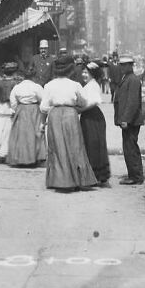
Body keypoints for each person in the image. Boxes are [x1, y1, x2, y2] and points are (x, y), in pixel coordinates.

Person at [39, 55, 97, 192]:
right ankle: (80, 179)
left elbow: (43, 107)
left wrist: (52, 111)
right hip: (71, 115)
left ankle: (59, 180)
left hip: (54, 116)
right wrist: (74, 106)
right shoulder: (75, 85)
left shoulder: (49, 85)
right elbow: (84, 102)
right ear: (70, 70)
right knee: (75, 147)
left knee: (57, 148)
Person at [114, 55, 144, 185]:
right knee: (129, 147)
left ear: (130, 65)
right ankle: (134, 174)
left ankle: (135, 176)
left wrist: (126, 119)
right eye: (121, 65)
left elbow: (132, 103)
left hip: (131, 121)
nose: (122, 67)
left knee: (130, 148)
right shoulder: (127, 78)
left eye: (125, 65)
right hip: (129, 121)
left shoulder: (133, 80)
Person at [7, 64, 45, 167]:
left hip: (21, 109)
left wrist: (16, 110)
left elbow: (13, 102)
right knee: (34, 134)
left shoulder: (17, 87)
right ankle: (34, 158)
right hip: (34, 110)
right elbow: (43, 100)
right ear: (34, 76)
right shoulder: (37, 87)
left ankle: (21, 158)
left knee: (21, 134)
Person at [79, 61, 110, 186]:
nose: (84, 75)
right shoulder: (89, 85)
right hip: (89, 116)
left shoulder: (93, 86)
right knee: (90, 144)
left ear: (92, 74)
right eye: (83, 72)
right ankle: (95, 175)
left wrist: (79, 110)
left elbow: (94, 101)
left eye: (87, 73)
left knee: (93, 145)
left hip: (92, 117)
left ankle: (96, 175)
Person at [0, 61, 21, 162]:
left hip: (1, 107)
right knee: (8, 130)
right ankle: (3, 152)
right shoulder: (16, 83)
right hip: (10, 106)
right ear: (14, 72)